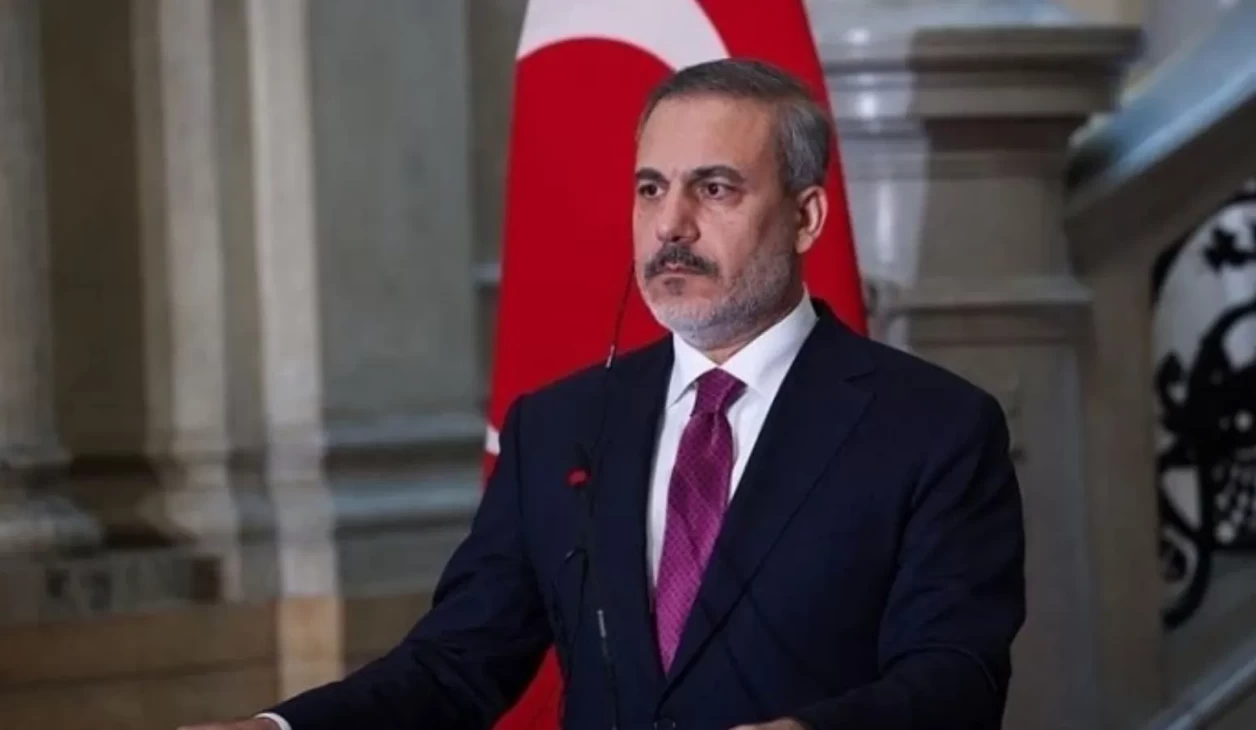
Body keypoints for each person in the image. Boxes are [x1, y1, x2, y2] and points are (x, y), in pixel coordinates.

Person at [183, 58, 1025, 730]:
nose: (671, 225)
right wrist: (280, 727)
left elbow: (957, 676)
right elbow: (457, 663)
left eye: (715, 189)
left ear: (807, 217)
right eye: (651, 188)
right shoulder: (558, 426)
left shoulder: (933, 427)